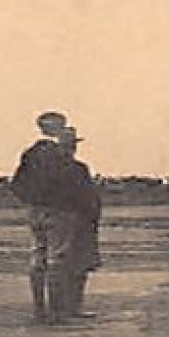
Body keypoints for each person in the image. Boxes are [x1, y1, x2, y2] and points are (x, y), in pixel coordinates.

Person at [9, 110, 79, 324]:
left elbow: (16, 184)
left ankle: (39, 310)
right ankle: (57, 312)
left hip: (35, 211)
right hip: (59, 211)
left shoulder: (30, 153)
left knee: (37, 258)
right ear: (58, 128)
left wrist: (32, 201)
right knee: (57, 259)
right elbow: (71, 182)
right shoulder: (59, 154)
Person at [55, 126, 102, 319]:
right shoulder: (74, 169)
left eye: (72, 145)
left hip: (79, 220)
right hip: (74, 220)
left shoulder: (75, 168)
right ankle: (68, 309)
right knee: (69, 264)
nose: (72, 148)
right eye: (69, 145)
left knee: (75, 265)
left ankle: (69, 308)